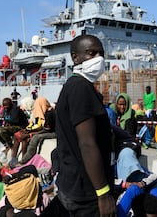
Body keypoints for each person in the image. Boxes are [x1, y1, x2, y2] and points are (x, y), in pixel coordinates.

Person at [55, 34, 116, 216]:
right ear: (75, 57)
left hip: (74, 184)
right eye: (91, 53)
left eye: (101, 53)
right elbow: (87, 143)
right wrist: (103, 194)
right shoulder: (81, 88)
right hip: (88, 192)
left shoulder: (73, 86)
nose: (98, 59)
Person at [18, 97, 56, 165]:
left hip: (55, 133)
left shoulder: (49, 114)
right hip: (51, 131)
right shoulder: (48, 112)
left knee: (36, 137)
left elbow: (47, 129)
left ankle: (26, 159)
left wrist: (30, 134)